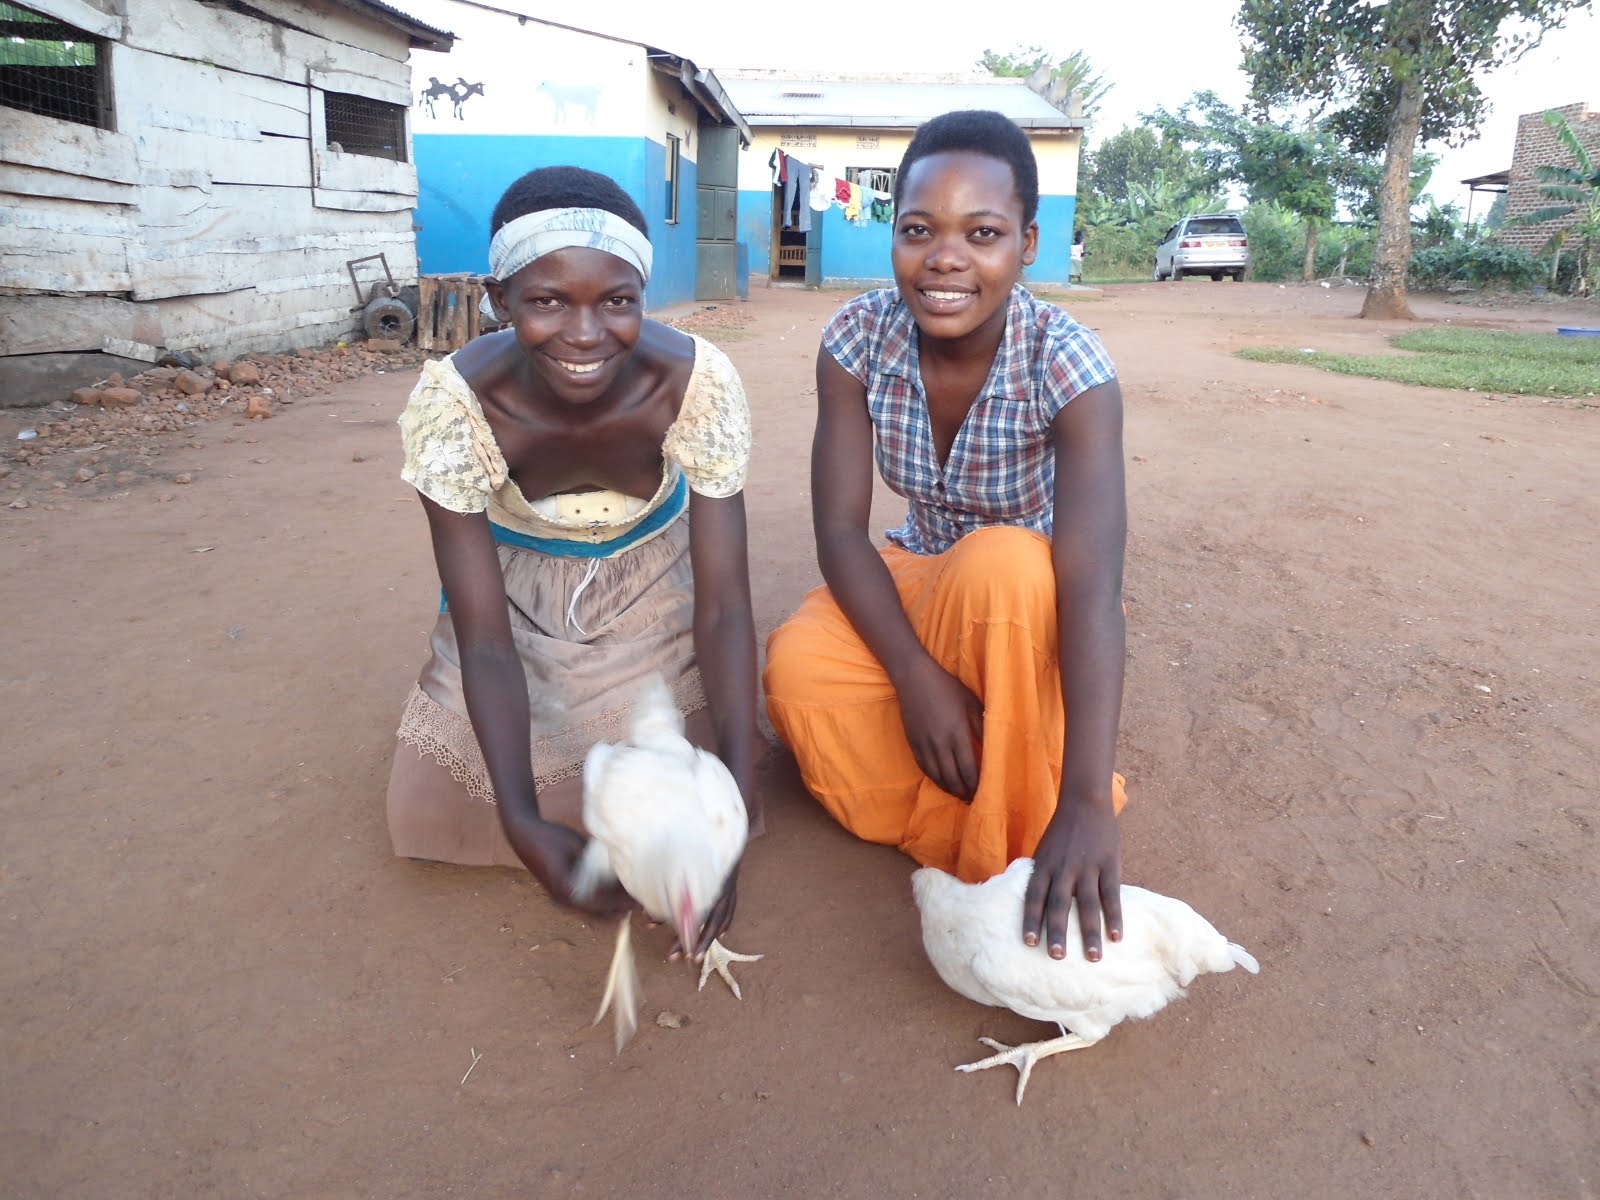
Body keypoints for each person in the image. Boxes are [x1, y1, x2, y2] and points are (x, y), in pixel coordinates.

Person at [763, 111, 1129, 963]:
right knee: (797, 673)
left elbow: (1090, 582)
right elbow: (839, 533)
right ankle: (987, 782)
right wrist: (916, 677)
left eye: (983, 233)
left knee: (1005, 563)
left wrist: (1087, 800)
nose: (946, 259)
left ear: (1027, 244)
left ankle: (1029, 822)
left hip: (1023, 608)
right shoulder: (856, 339)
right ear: (893, 234)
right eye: (919, 230)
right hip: (918, 571)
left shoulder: (1068, 363)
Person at [386, 166, 759, 963]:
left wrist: (731, 816)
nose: (586, 334)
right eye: (548, 301)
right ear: (499, 301)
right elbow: (484, 638)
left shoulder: (694, 383)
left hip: (650, 577)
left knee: (688, 764)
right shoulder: (455, 405)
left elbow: (725, 606)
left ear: (642, 296)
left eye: (616, 301)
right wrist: (522, 825)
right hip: (517, 589)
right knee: (434, 801)